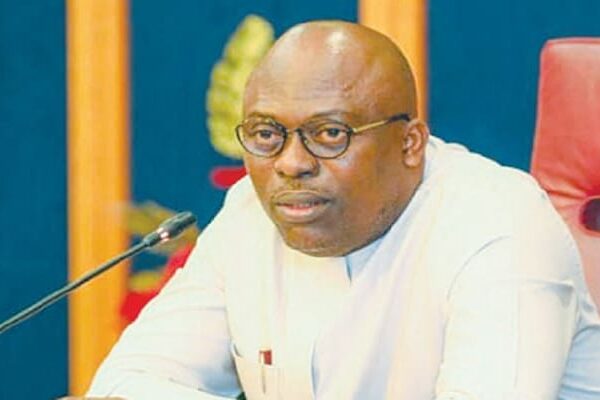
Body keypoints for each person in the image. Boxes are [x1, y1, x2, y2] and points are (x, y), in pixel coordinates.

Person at [87, 21, 600, 399]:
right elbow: (126, 382)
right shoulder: (250, 213)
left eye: (330, 133)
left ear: (410, 144)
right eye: (266, 134)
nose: (291, 163)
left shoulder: (499, 223)